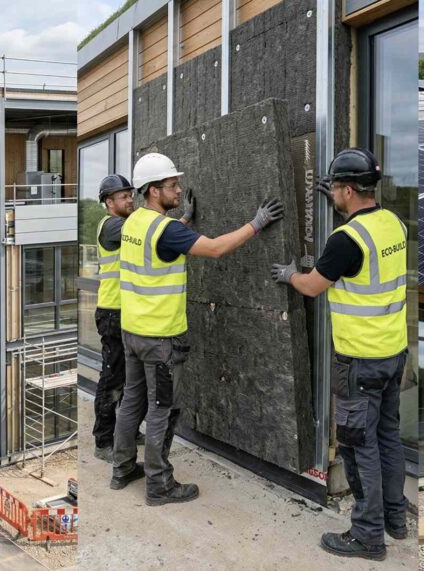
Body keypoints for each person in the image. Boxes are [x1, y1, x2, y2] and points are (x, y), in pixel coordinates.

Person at [110, 152, 284, 506]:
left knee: (131, 402)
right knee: (162, 410)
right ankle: (159, 484)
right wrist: (256, 223)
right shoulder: (166, 230)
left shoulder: (133, 224)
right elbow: (216, 248)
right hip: (160, 339)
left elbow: (164, 245)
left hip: (132, 333)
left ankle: (122, 468)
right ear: (154, 191)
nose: (179, 189)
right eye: (173, 185)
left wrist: (186, 218)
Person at [270, 148, 408, 561]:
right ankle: (394, 519)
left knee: (356, 447)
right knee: (387, 438)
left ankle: (367, 535)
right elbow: (362, 260)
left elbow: (313, 285)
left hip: (360, 362)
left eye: (335, 189)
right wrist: (340, 206)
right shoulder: (394, 224)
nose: (331, 194)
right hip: (393, 354)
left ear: (348, 190)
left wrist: (289, 275)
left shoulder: (345, 240)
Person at [92, 174, 195, 462]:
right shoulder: (112, 226)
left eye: (129, 194)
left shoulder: (131, 225)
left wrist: (181, 223)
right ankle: (103, 441)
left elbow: (156, 238)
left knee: (127, 385)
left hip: (127, 315)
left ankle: (124, 435)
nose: (129, 200)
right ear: (108, 202)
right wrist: (178, 223)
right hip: (113, 312)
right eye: (122, 197)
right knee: (112, 381)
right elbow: (152, 233)